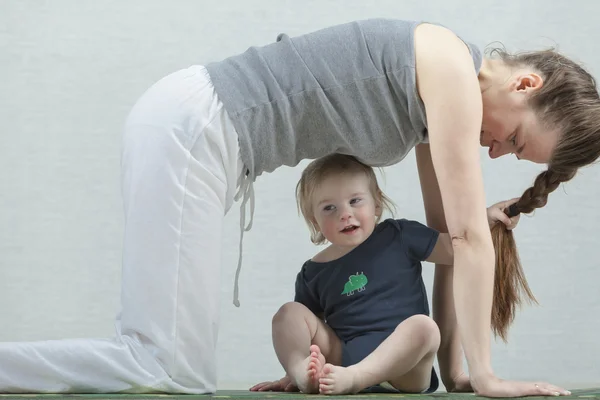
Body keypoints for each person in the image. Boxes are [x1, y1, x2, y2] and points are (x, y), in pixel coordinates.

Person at [1, 17, 598, 396]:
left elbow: (447, 239)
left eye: (512, 156)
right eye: (514, 140)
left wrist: (460, 369)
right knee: (166, 366)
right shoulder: (450, 68)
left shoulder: (438, 90)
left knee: (171, 365)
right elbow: (469, 238)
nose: (495, 153)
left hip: (198, 132)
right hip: (194, 128)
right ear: (525, 86)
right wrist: (491, 380)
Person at [253, 154, 525, 395]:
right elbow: (307, 328)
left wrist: (484, 220)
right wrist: (297, 362)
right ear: (315, 221)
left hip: (404, 370)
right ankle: (302, 374)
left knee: (425, 327)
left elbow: (453, 249)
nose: (345, 214)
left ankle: (356, 379)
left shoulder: (399, 235)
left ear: (377, 205)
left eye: (355, 201)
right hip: (345, 357)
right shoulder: (313, 271)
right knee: (288, 314)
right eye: (329, 208)